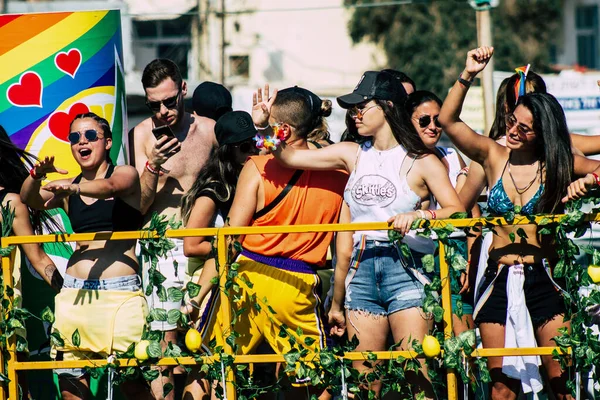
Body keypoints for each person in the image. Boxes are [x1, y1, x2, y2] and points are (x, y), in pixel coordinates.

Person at [267, 71, 465, 398]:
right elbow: (287, 156)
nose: (354, 114)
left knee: (416, 375)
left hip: (408, 269)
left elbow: (456, 212)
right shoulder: (352, 153)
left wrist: (421, 215)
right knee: (364, 384)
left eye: (362, 106)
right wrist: (267, 128)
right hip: (362, 270)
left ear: (387, 107)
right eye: (353, 108)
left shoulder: (423, 160)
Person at [438, 46, 600, 400]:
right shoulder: (494, 155)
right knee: (501, 388)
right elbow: (448, 121)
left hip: (545, 278)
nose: (513, 131)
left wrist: (586, 182)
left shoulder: (558, 162)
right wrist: (468, 75)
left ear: (542, 134)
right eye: (512, 121)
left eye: (525, 129)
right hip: (497, 277)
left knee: (561, 383)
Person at [200, 85, 347, 398]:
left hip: (247, 278)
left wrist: (200, 293)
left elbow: (230, 235)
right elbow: (343, 246)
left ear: (283, 128)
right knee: (313, 381)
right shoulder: (339, 172)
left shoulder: (256, 166)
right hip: (296, 284)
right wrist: (338, 303)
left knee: (222, 372)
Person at [20, 112, 151, 400]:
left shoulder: (124, 173)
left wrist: (73, 187)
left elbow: (109, 188)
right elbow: (30, 200)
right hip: (75, 297)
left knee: (133, 388)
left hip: (120, 299)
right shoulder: (68, 188)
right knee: (71, 391)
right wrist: (36, 176)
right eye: (75, 137)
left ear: (107, 142)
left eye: (90, 135)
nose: (82, 142)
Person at [129, 59, 216, 399]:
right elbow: (140, 205)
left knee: (203, 343)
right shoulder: (141, 135)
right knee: (163, 349)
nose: (163, 111)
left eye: (169, 101)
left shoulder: (209, 130)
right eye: (154, 105)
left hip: (204, 245)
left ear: (183, 90)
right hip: (159, 248)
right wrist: (153, 166)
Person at [178, 110, 258, 399]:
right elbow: (191, 245)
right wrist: (234, 245)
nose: (253, 151)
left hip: (236, 285)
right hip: (210, 287)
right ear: (227, 151)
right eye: (244, 147)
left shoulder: (244, 181)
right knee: (206, 367)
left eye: (255, 142)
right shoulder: (214, 189)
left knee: (228, 368)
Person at [404, 90, 479, 338]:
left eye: (438, 120)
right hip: (416, 255)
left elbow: (472, 217)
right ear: (408, 121)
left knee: (462, 337)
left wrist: (469, 258)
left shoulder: (451, 156)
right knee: (423, 338)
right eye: (424, 120)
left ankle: (468, 378)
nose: (433, 127)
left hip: (454, 251)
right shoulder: (401, 160)